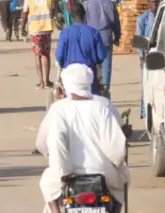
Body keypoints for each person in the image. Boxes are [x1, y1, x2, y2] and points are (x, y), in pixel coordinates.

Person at [35, 63, 129, 213]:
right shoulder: (103, 105)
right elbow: (117, 148)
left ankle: (55, 211)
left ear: (67, 85)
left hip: (65, 175)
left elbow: (42, 143)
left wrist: (50, 155)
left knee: (48, 185)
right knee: (120, 187)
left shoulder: (58, 109)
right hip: (104, 174)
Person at [55, 2, 108, 95]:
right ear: (84, 15)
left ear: (71, 17)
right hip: (89, 76)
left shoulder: (64, 33)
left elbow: (59, 56)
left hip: (69, 76)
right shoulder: (94, 32)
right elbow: (101, 55)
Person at [85, 0, 121, 93]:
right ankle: (105, 90)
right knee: (107, 66)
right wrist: (117, 37)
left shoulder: (87, 4)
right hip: (106, 36)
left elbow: (84, 22)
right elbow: (116, 22)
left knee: (91, 64)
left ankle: (93, 89)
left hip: (91, 37)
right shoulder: (111, 4)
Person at [22, 0, 57, 89]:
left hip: (35, 31)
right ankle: (47, 81)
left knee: (38, 56)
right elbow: (53, 11)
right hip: (46, 30)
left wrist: (22, 27)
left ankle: (41, 82)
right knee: (46, 55)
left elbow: (24, 14)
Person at [136, 0, 159, 118]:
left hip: (159, 55)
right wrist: (141, 56)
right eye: (152, 2)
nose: (154, 4)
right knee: (146, 84)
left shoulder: (162, 17)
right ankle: (144, 112)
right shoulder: (142, 19)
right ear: (148, 4)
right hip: (147, 55)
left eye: (156, 2)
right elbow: (140, 39)